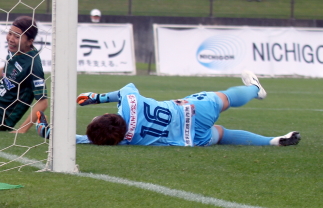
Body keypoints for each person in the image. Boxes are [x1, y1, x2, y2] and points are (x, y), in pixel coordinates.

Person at [36, 70, 300, 147]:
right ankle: (255, 89)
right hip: (191, 111)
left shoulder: (122, 142)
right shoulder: (130, 102)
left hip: (190, 139)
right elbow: (127, 87)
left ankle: (273, 142)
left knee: (221, 134)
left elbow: (78, 140)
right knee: (225, 98)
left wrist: (45, 130)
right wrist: (96, 97)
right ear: (109, 116)